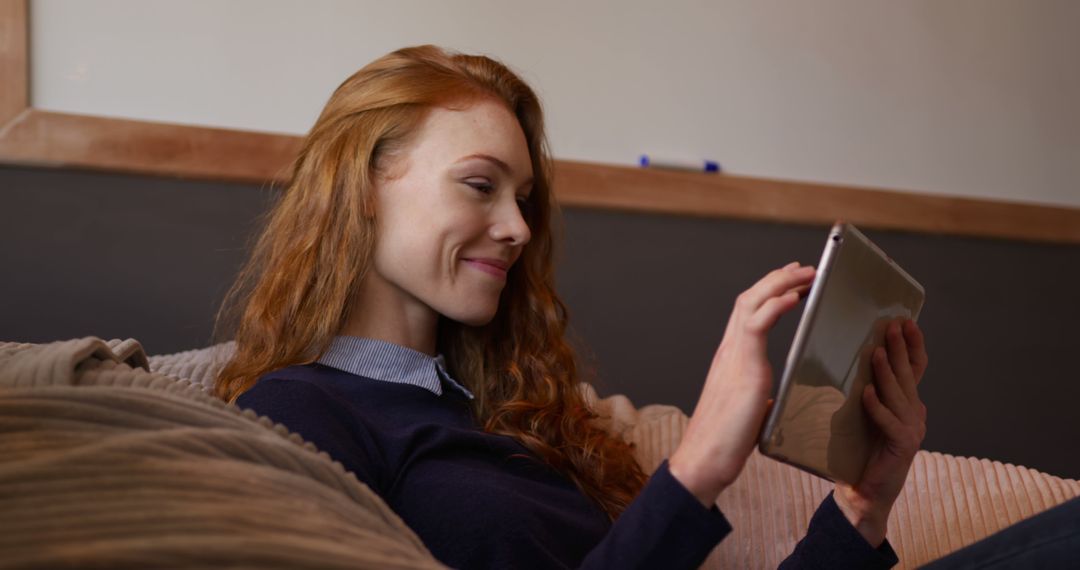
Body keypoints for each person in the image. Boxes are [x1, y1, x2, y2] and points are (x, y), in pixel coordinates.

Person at [215, 45, 929, 569]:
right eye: (479, 185)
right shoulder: (298, 414)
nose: (519, 229)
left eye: (523, 199)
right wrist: (700, 464)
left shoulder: (516, 417)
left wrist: (862, 508)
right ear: (361, 190)